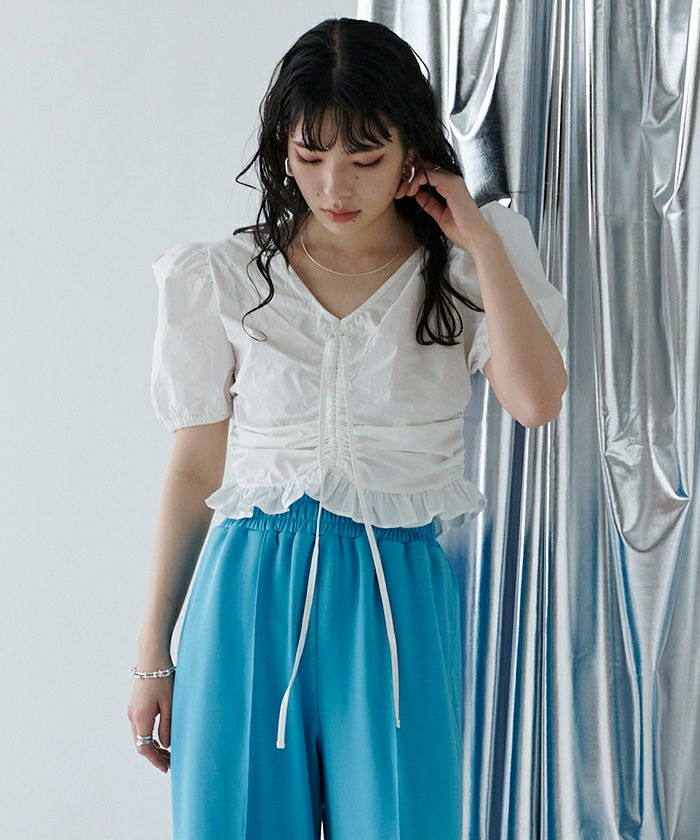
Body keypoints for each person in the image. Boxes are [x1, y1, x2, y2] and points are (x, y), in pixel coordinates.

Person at [127, 15, 568, 840]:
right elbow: (194, 470)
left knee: (403, 822)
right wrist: (153, 654)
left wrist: (476, 234)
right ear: (281, 149)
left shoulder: (468, 264)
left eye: (365, 159)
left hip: (396, 593)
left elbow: (538, 400)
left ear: (413, 152)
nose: (334, 186)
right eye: (309, 155)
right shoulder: (225, 275)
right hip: (248, 589)